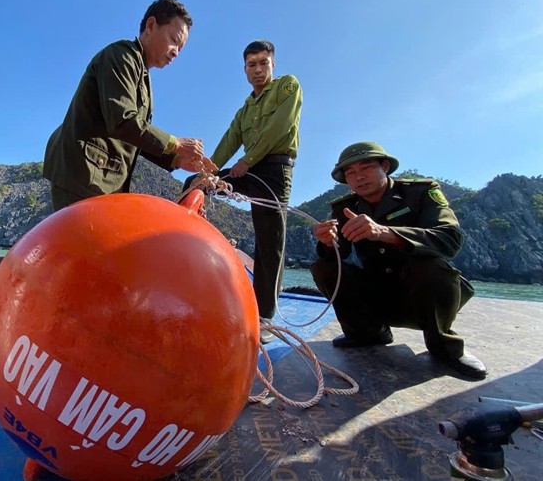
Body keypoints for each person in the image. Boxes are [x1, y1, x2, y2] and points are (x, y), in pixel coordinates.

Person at [310, 141, 487, 379]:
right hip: (379, 295)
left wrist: (386, 233)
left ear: (385, 166)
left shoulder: (421, 193)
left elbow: (449, 239)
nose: (359, 177)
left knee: (427, 264)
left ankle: (445, 348)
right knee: (325, 267)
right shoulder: (345, 208)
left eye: (366, 168)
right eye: (350, 173)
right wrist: (328, 243)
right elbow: (339, 257)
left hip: (424, 296)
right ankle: (367, 333)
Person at [43, 0, 216, 211]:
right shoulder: (121, 56)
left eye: (181, 48)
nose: (176, 52)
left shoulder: (142, 73)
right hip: (82, 172)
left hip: (100, 177)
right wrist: (176, 143)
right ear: (151, 25)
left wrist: (176, 160)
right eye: (173, 40)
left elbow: (134, 137)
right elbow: (122, 121)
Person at [185, 40, 302, 344]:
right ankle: (185, 260)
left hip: (274, 169)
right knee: (193, 186)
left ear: (273, 65)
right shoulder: (245, 109)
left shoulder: (287, 87)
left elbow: (279, 126)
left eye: (264, 63)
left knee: (269, 238)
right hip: (246, 168)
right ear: (245, 69)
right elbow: (228, 141)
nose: (258, 70)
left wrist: (248, 160)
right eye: (252, 65)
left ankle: (265, 316)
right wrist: (207, 173)